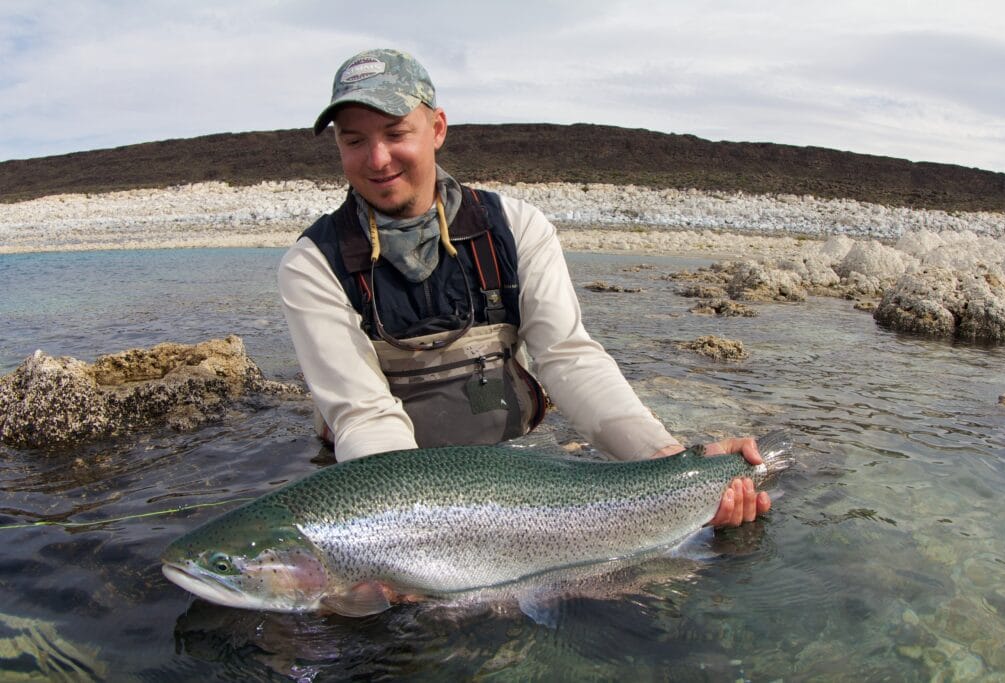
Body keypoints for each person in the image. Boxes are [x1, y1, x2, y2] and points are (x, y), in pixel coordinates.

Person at [278, 48, 769, 528]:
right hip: (379, 491)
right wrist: (403, 529)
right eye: (354, 140)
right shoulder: (312, 263)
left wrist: (668, 461)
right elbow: (364, 416)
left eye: (396, 132)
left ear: (438, 129)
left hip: (512, 469)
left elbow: (568, 359)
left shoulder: (515, 227)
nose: (378, 158)